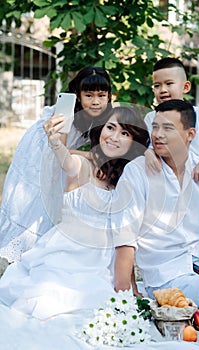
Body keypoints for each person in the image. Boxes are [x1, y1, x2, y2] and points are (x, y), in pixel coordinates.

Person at [0, 106, 150, 320]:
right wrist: (54, 141)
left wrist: (131, 283)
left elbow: (125, 236)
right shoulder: (83, 165)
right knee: (46, 301)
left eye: (125, 133)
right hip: (66, 253)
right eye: (110, 127)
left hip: (101, 260)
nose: (115, 137)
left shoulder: (128, 176)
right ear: (101, 129)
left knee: (98, 304)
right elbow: (67, 162)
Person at [113, 99, 199, 308]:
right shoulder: (138, 172)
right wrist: (125, 300)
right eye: (155, 127)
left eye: (167, 128)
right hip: (167, 275)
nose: (158, 134)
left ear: (190, 135)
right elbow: (125, 239)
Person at [0, 66, 112, 263]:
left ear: (109, 96)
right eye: (89, 95)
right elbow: (58, 149)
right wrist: (89, 155)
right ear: (78, 95)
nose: (95, 101)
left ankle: (32, 253)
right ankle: (18, 254)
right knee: (33, 200)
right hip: (39, 154)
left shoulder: (103, 113)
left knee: (47, 201)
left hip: (57, 154)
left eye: (101, 95)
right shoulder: (66, 110)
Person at [144, 57, 199, 183]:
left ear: (185, 87)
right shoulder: (151, 118)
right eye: (157, 85)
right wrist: (148, 153)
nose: (163, 90)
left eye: (169, 84)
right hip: (165, 180)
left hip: (196, 177)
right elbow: (147, 146)